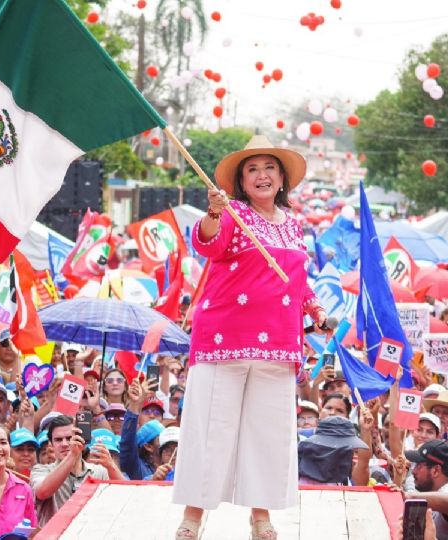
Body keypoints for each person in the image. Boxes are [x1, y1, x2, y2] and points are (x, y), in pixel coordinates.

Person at [172, 134, 329, 540]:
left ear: (282, 179)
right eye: (252, 169)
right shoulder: (233, 214)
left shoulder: (294, 227)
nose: (261, 176)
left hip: (279, 342)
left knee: (268, 433)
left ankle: (261, 517)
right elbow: (208, 241)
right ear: (242, 181)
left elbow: (299, 283)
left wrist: (315, 310)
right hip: (224, 338)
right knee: (211, 428)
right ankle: (193, 516)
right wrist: (213, 212)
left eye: (269, 168)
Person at [30, 415, 118, 526]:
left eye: (69, 438)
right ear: (51, 445)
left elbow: (126, 497)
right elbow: (42, 492)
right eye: (58, 440)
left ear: (83, 439)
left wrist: (111, 466)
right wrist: (73, 455)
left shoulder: (99, 472)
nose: (65, 444)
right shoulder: (41, 470)